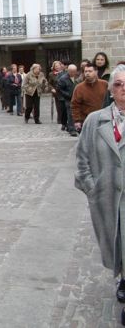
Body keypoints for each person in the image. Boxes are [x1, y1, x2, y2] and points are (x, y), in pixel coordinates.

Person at [74, 64, 125, 322]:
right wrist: (92, 189)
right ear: (111, 90)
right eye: (118, 85)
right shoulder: (96, 121)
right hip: (107, 198)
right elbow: (81, 159)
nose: (124, 89)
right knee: (117, 244)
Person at [72, 61, 109, 132]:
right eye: (85, 71)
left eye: (90, 71)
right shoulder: (79, 88)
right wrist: (77, 120)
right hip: (86, 121)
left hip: (103, 119)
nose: (87, 73)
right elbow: (75, 105)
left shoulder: (104, 84)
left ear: (96, 72)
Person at [58, 64, 80, 137]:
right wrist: (67, 95)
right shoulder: (63, 79)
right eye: (71, 71)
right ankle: (72, 129)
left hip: (78, 98)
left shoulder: (78, 77)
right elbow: (60, 89)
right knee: (70, 113)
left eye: (74, 71)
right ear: (68, 71)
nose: (73, 73)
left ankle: (77, 127)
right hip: (68, 98)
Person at [48, 61, 64, 125]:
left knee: (64, 106)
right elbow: (49, 83)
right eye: (55, 66)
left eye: (58, 65)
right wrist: (52, 89)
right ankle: (59, 119)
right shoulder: (51, 74)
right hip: (56, 92)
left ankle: (65, 118)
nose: (57, 67)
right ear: (54, 67)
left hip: (64, 91)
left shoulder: (64, 73)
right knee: (59, 106)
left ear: (60, 66)